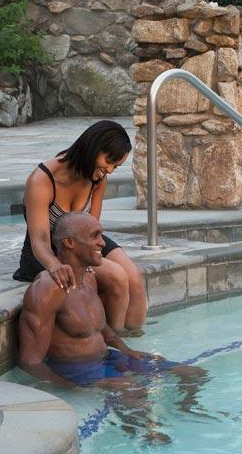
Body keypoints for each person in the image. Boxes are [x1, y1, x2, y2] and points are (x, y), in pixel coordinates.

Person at [18, 212, 208, 442]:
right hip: (76, 369)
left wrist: (126, 350)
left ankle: (185, 411)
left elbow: (101, 327)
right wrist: (69, 387)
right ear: (69, 243)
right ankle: (142, 436)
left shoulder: (89, 278)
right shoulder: (47, 290)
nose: (102, 243)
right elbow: (30, 361)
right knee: (132, 389)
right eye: (95, 236)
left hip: (107, 358)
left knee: (193, 373)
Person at [13, 120, 147, 333]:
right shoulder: (42, 180)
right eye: (109, 161)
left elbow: (92, 229)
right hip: (47, 251)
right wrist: (54, 265)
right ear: (92, 148)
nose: (110, 170)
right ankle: (115, 345)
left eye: (116, 166)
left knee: (134, 277)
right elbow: (39, 239)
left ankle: (136, 340)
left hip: (82, 242)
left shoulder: (97, 177)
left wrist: (90, 258)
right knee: (117, 276)